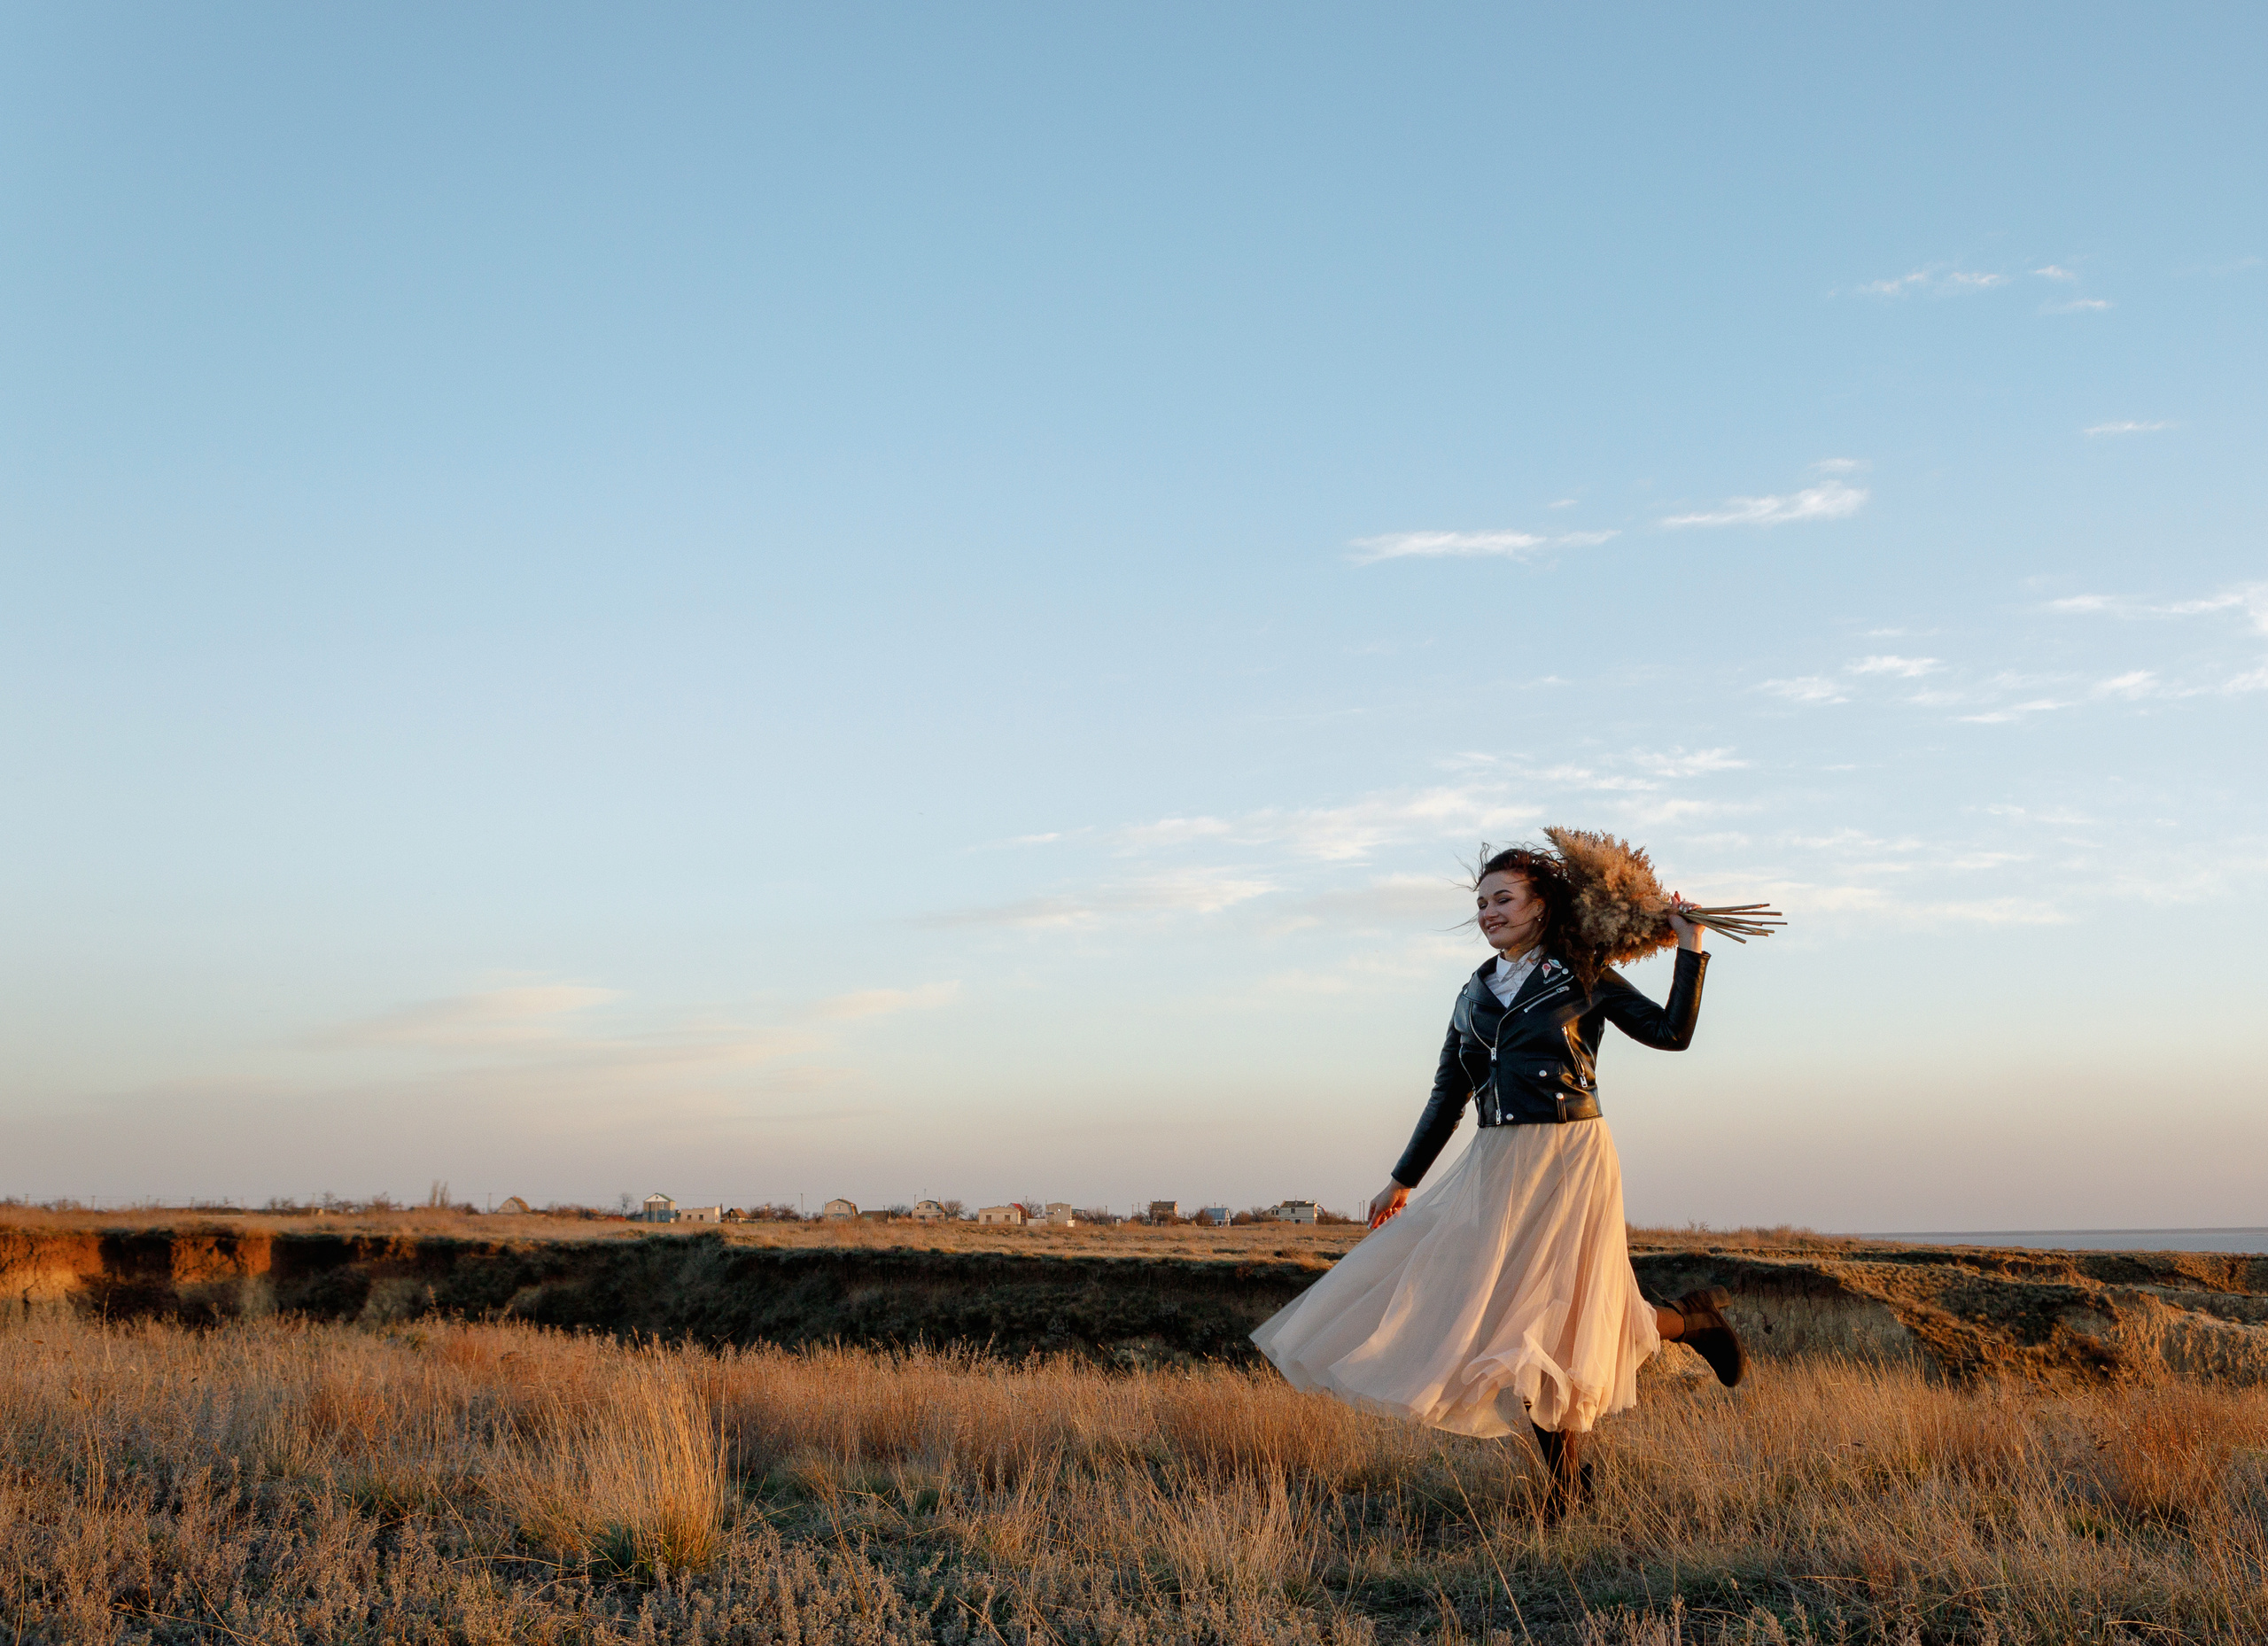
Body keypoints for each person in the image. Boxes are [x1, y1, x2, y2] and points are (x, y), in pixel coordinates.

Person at [1250, 843, 1747, 1518]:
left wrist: (1691, 947)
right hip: (1495, 1165)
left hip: (1570, 1158)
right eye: (1481, 903)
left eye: (1502, 899)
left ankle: (1564, 1495)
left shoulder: (1583, 974)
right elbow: (1447, 1094)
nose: (1488, 912)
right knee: (1519, 1321)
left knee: (1552, 1323)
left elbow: (1671, 1033)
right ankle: (1690, 1323)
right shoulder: (1472, 995)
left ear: (1541, 906)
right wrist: (1402, 1179)